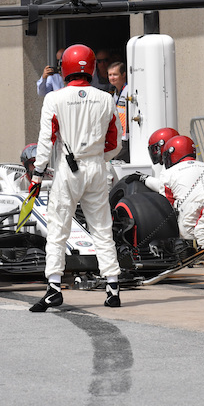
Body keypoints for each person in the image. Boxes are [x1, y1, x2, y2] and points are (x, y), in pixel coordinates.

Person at [29, 44, 123, 311]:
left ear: (65, 68)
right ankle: (113, 287)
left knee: (58, 230)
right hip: (96, 168)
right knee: (102, 229)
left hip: (67, 171)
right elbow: (115, 143)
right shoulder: (106, 98)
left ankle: (54, 288)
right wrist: (97, 158)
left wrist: (37, 173)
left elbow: (46, 142)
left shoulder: (54, 99)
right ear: (92, 67)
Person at [108, 61, 130, 162]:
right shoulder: (115, 93)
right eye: (110, 75)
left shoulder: (128, 90)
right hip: (119, 137)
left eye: (115, 74)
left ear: (123, 75)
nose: (112, 77)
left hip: (127, 139)